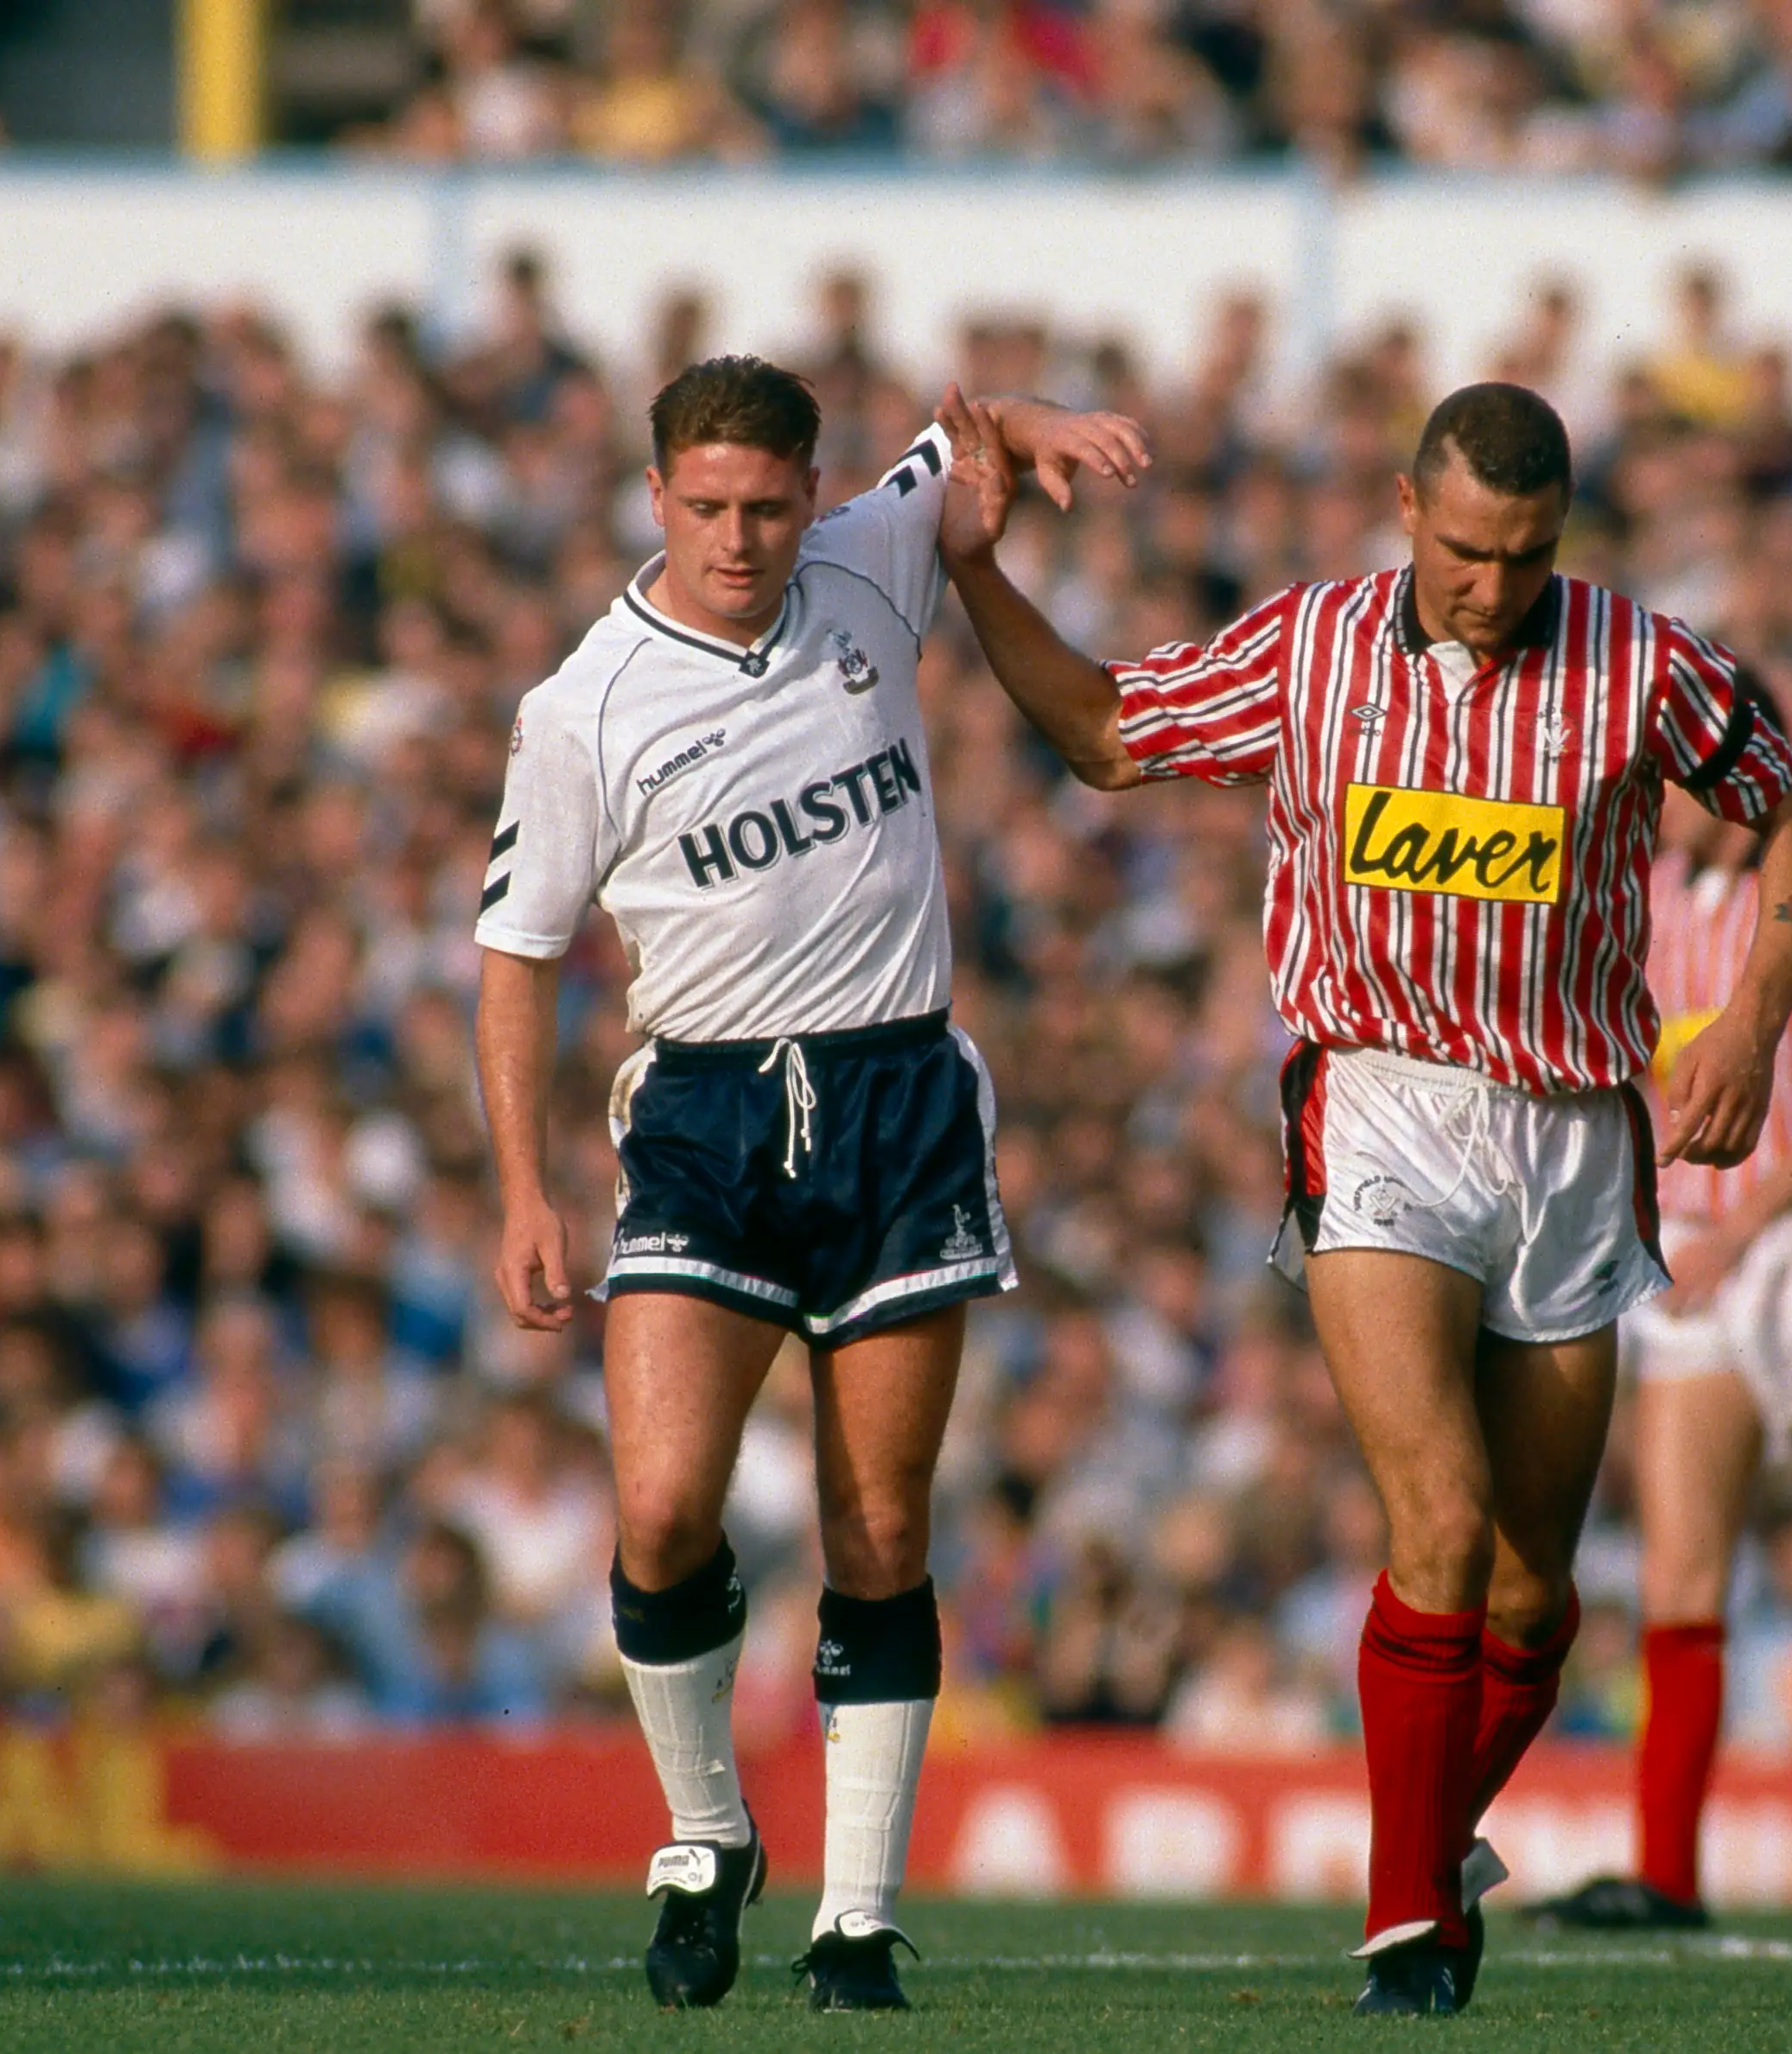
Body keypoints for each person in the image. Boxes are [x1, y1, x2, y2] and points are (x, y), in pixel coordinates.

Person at [934, 380, 1792, 2013]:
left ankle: (1431, 1851)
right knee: (1432, 1517)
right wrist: (977, 571)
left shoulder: (1642, 664)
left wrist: (1760, 1023)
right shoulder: (1312, 646)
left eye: (1527, 553)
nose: (1492, 586)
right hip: (1380, 1108)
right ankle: (1408, 1926)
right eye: (1469, 549)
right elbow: (1101, 733)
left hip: (1574, 1131)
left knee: (1530, 1588)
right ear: (1404, 502)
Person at [474, 355, 1141, 2013]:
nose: (741, 538)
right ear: (655, 499)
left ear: (809, 491)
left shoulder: (871, 547)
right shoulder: (585, 706)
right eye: (706, 507)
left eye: (769, 505)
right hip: (704, 1107)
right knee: (657, 1504)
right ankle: (706, 1833)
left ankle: (856, 1916)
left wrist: (1035, 424)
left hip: (896, 1087)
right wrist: (523, 1184)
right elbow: (516, 954)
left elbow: (963, 429)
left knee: (881, 1521)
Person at [1534, 783, 1792, 1931]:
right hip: (1691, 1258)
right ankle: (1665, 1869)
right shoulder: (1646, 894)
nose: (1651, 797)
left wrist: (1745, 1227)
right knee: (1679, 1577)